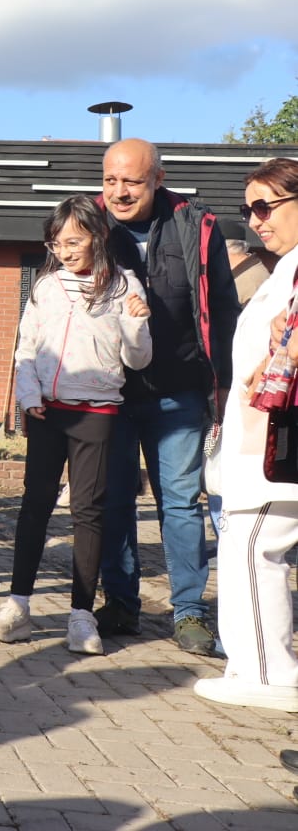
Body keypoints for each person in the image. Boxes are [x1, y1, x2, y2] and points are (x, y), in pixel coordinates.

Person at [0, 196, 152, 654]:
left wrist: (137, 325)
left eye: (73, 241)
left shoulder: (123, 285)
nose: (64, 251)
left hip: (97, 411)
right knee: (34, 505)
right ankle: (18, 606)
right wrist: (29, 395)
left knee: (88, 512)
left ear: (97, 237)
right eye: (56, 243)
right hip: (46, 412)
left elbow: (138, 358)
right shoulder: (46, 286)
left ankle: (80, 616)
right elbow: (26, 346)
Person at [96, 138, 237, 654]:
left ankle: (190, 612)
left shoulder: (197, 226)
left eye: (131, 180)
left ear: (158, 177)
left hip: (178, 392)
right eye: (110, 179)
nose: (119, 191)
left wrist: (222, 385)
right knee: (112, 502)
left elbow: (223, 311)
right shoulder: (85, 225)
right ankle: (120, 604)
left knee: (179, 503)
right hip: (107, 392)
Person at [193, 160, 298, 712]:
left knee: (257, 547)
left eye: (267, 206)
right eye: (248, 209)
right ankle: (249, 663)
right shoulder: (284, 270)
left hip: (276, 442)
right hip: (254, 437)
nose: (256, 220)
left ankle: (268, 670)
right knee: (243, 545)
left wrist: (281, 351)